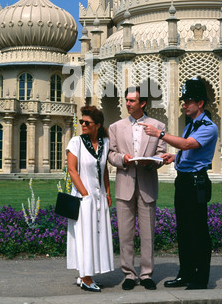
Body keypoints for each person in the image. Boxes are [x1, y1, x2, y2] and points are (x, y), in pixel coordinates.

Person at [141, 78, 218, 290]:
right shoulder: (191, 125)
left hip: (196, 182)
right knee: (183, 229)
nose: (184, 104)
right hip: (184, 181)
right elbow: (188, 150)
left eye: (189, 101)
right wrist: (174, 157)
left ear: (200, 103)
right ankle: (185, 274)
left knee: (198, 230)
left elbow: (188, 144)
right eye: (183, 100)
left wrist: (160, 135)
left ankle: (200, 278)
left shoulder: (208, 126)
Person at [108, 86, 166, 291]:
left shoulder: (157, 125)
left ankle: (147, 274)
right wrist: (122, 159)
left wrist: (152, 162)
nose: (128, 104)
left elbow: (161, 154)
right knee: (125, 234)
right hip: (124, 184)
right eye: (127, 100)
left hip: (147, 185)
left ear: (143, 103)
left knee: (148, 233)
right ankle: (129, 275)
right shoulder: (115, 127)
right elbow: (111, 155)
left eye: (132, 101)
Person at [66, 105, 114, 292]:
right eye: (82, 122)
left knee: (95, 235)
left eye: (87, 122)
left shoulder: (105, 143)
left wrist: (108, 193)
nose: (83, 125)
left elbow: (104, 171)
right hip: (83, 198)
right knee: (84, 236)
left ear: (97, 125)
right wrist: (85, 195)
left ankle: (84, 275)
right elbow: (72, 170)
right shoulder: (76, 142)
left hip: (99, 197)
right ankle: (85, 278)